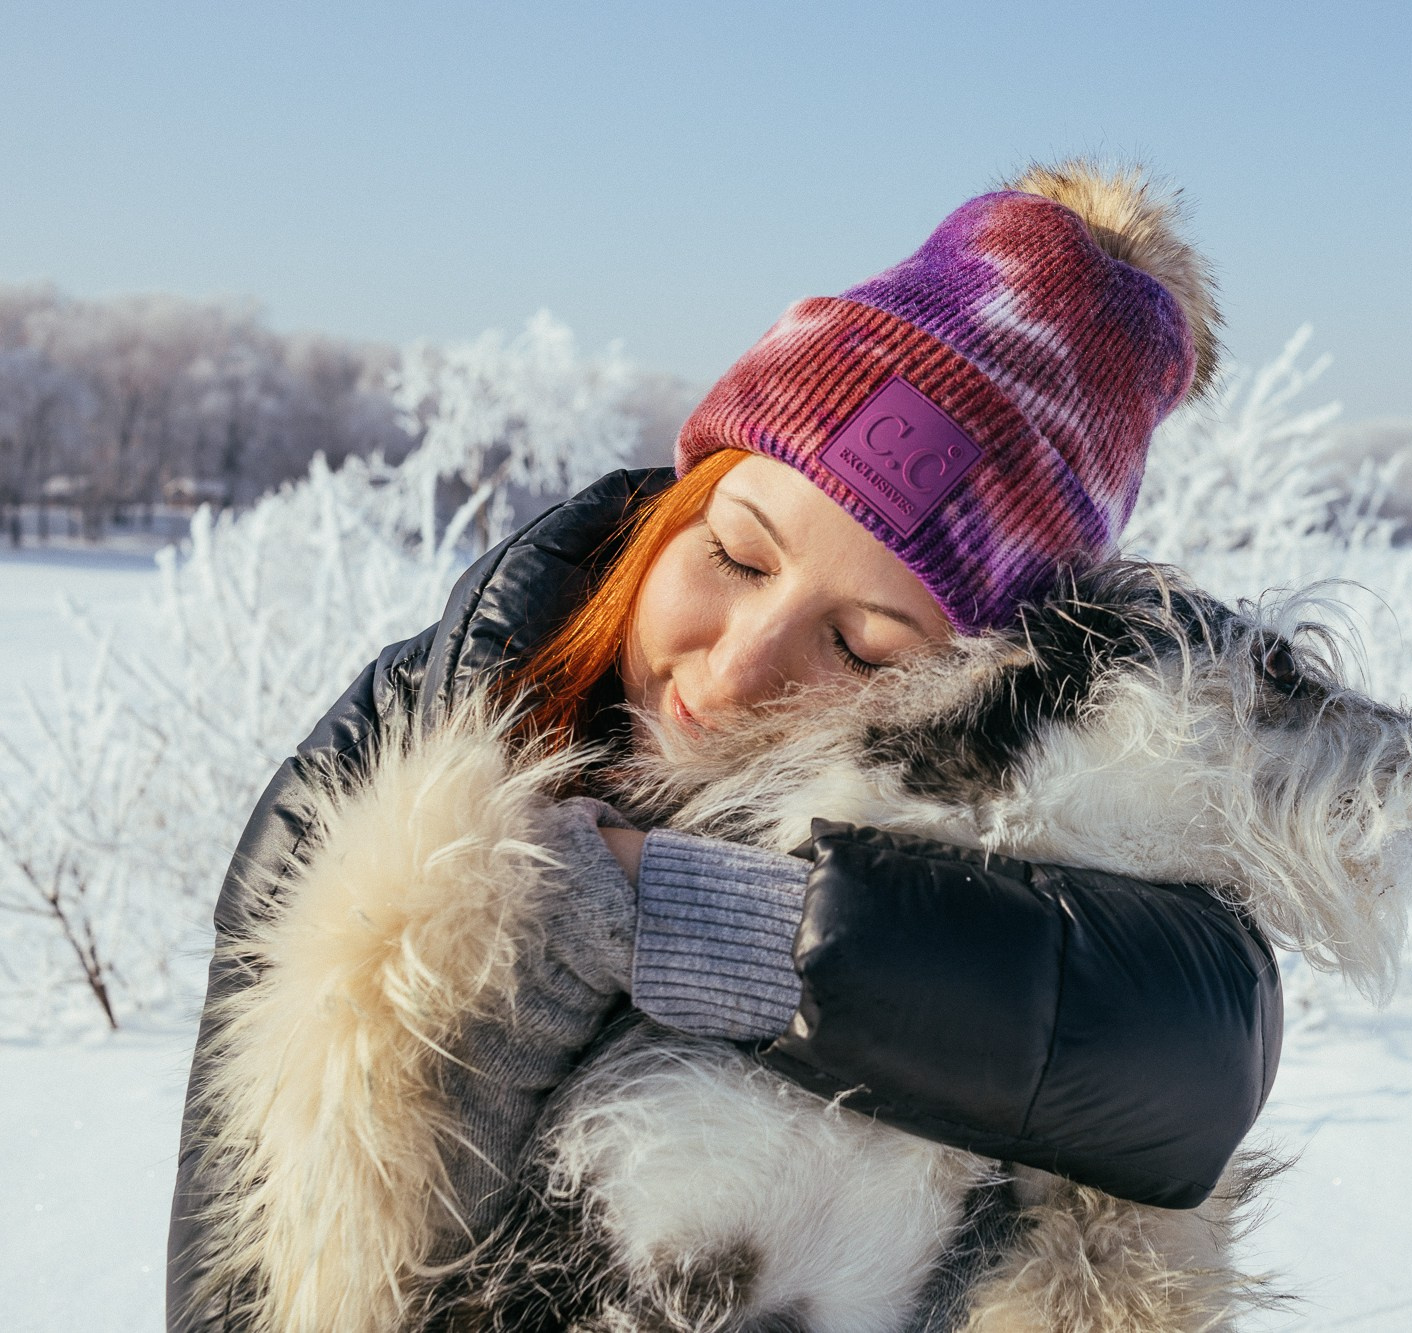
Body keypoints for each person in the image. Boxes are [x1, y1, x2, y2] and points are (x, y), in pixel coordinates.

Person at [165, 161, 1279, 1333]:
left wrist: (687, 917)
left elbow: (1198, 1053)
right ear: (679, 503)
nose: (738, 667)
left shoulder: (1025, 843)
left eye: (858, 648)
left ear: (971, 702)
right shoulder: (407, 737)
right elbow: (244, 1278)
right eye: (737, 556)